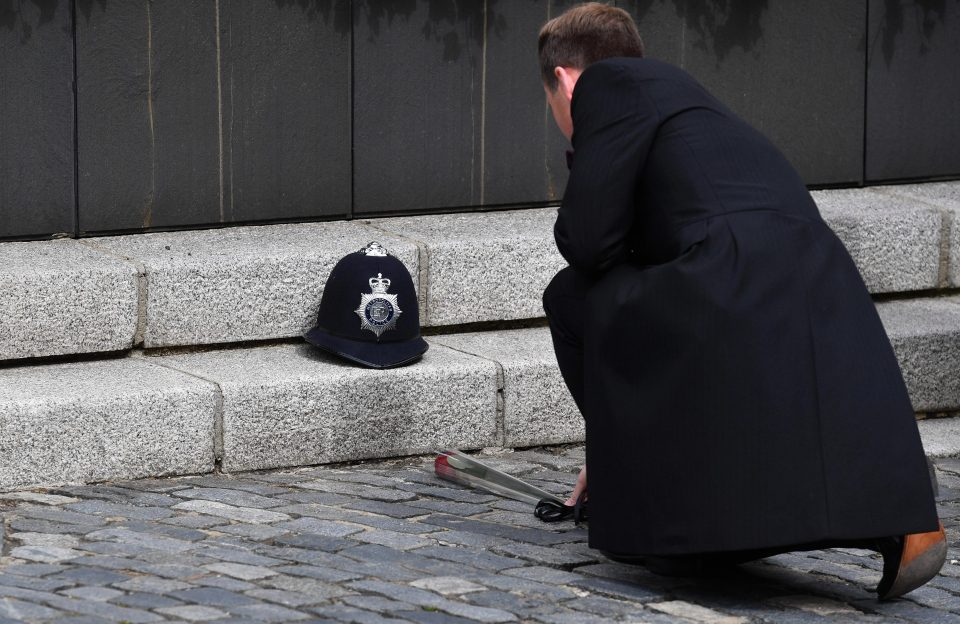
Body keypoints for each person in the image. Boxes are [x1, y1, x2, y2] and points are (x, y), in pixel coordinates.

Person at [538, 2, 946, 600]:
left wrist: (612, 442)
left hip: (727, 269)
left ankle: (642, 483)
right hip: (814, 266)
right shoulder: (687, 96)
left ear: (566, 79)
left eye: (551, 104)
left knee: (571, 298)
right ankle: (906, 525)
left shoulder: (604, 86)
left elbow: (589, 242)